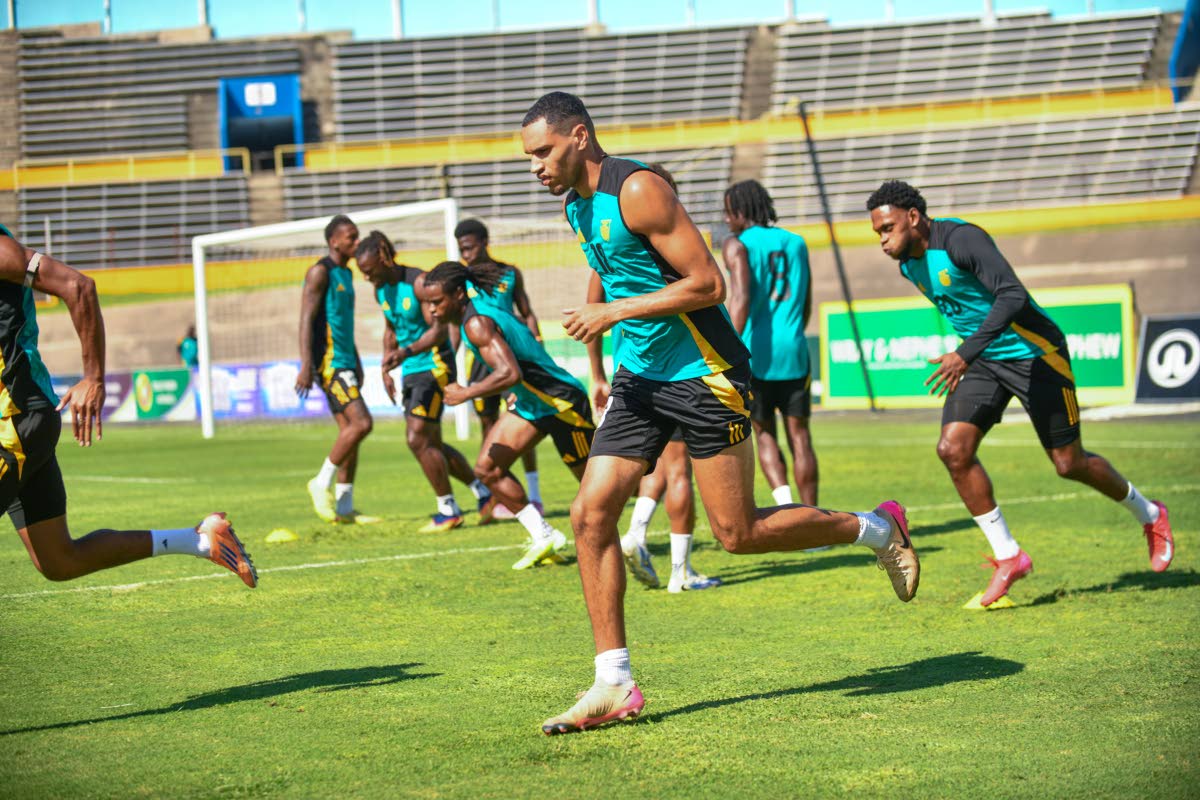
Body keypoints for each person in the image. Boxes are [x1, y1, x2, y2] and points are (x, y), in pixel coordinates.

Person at [521, 91, 918, 735]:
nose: (535, 166)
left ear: (581, 137)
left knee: (738, 535)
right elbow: (613, 274)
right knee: (591, 512)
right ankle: (613, 682)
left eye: (543, 151)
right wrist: (602, 348)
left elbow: (709, 285)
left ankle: (876, 528)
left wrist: (611, 316)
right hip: (640, 379)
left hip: (708, 375)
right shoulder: (574, 204)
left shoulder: (640, 190)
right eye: (529, 157)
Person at [866, 180, 1174, 608]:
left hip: (1037, 355)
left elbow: (1011, 295)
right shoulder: (908, 265)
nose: (882, 240)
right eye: (878, 232)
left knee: (1069, 464)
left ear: (913, 218)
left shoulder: (961, 239)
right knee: (952, 449)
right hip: (986, 361)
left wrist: (964, 353)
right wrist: (972, 354)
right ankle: (1009, 556)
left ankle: (1152, 515)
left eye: (888, 228)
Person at [0, 225, 256, 588]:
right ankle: (199, 540)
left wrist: (93, 377)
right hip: (21, 422)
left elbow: (78, 286)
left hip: (14, 419)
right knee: (59, 560)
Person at [587, 163, 720, 594]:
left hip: (631, 368)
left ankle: (637, 532)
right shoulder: (672, 243)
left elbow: (591, 310)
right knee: (678, 472)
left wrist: (597, 374)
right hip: (680, 368)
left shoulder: (604, 245)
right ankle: (680, 570)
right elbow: (708, 290)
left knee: (656, 469)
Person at [422, 259, 594, 570]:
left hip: (562, 404)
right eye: (428, 303)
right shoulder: (478, 314)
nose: (432, 310)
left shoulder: (476, 324)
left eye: (436, 302)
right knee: (488, 469)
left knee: (599, 489)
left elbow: (509, 373)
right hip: (532, 404)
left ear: (459, 294)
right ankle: (544, 535)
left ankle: (653, 496)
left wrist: (466, 392)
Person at [354, 230, 495, 533]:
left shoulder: (417, 283)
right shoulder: (381, 289)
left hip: (434, 365)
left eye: (369, 270)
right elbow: (391, 329)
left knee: (417, 439)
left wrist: (405, 352)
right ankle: (483, 494)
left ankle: (448, 509)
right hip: (410, 369)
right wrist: (386, 366)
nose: (367, 277)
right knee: (430, 444)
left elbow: (439, 330)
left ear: (382, 258)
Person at [723, 179, 819, 509]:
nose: (725, 219)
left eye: (727, 211)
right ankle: (812, 519)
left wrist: (726, 351)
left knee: (764, 434)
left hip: (755, 352)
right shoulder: (797, 242)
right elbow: (805, 302)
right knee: (801, 437)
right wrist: (792, 331)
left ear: (740, 210)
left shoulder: (739, 244)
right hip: (794, 349)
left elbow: (741, 299)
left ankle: (788, 508)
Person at [456, 218, 545, 516]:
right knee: (488, 425)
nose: (465, 254)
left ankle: (534, 494)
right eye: (461, 249)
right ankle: (497, 494)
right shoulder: (462, 279)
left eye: (469, 247)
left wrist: (536, 342)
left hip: (513, 360)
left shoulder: (509, 273)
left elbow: (527, 311)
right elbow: (456, 324)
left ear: (483, 242)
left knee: (523, 419)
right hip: (480, 362)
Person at [295, 214, 377, 525]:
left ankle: (344, 506)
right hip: (328, 363)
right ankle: (320, 482)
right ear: (334, 241)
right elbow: (306, 319)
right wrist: (305, 364)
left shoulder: (346, 273)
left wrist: (355, 358)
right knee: (362, 423)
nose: (357, 243)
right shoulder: (320, 272)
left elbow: (342, 324)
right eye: (351, 238)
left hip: (345, 360)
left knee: (350, 432)